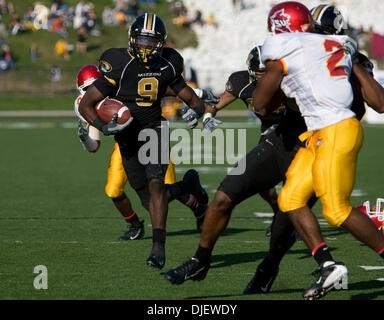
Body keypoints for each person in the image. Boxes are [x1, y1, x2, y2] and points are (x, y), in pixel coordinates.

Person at [251, 1, 384, 300]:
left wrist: (353, 64)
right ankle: (327, 265)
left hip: (337, 129)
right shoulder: (314, 48)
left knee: (336, 209)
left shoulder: (308, 50)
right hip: (317, 133)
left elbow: (380, 103)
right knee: (290, 197)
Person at [78, 13, 207, 270]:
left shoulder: (169, 63)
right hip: (126, 138)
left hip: (153, 130)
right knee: (149, 202)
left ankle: (158, 248)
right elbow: (86, 104)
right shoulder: (118, 63)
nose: (146, 47)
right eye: (142, 40)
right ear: (132, 39)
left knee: (157, 186)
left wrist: (197, 109)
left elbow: (192, 98)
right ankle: (186, 187)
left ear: (161, 43)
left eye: (151, 42)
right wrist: (103, 126)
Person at [75, 64, 209, 241]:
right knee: (113, 190)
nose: (91, 92)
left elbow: (159, 87)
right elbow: (94, 146)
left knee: (163, 193)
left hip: (151, 135)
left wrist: (198, 93)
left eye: (94, 87)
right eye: (86, 89)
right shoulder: (83, 105)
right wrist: (85, 139)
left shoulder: (119, 85)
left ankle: (196, 202)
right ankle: (135, 225)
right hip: (124, 145)